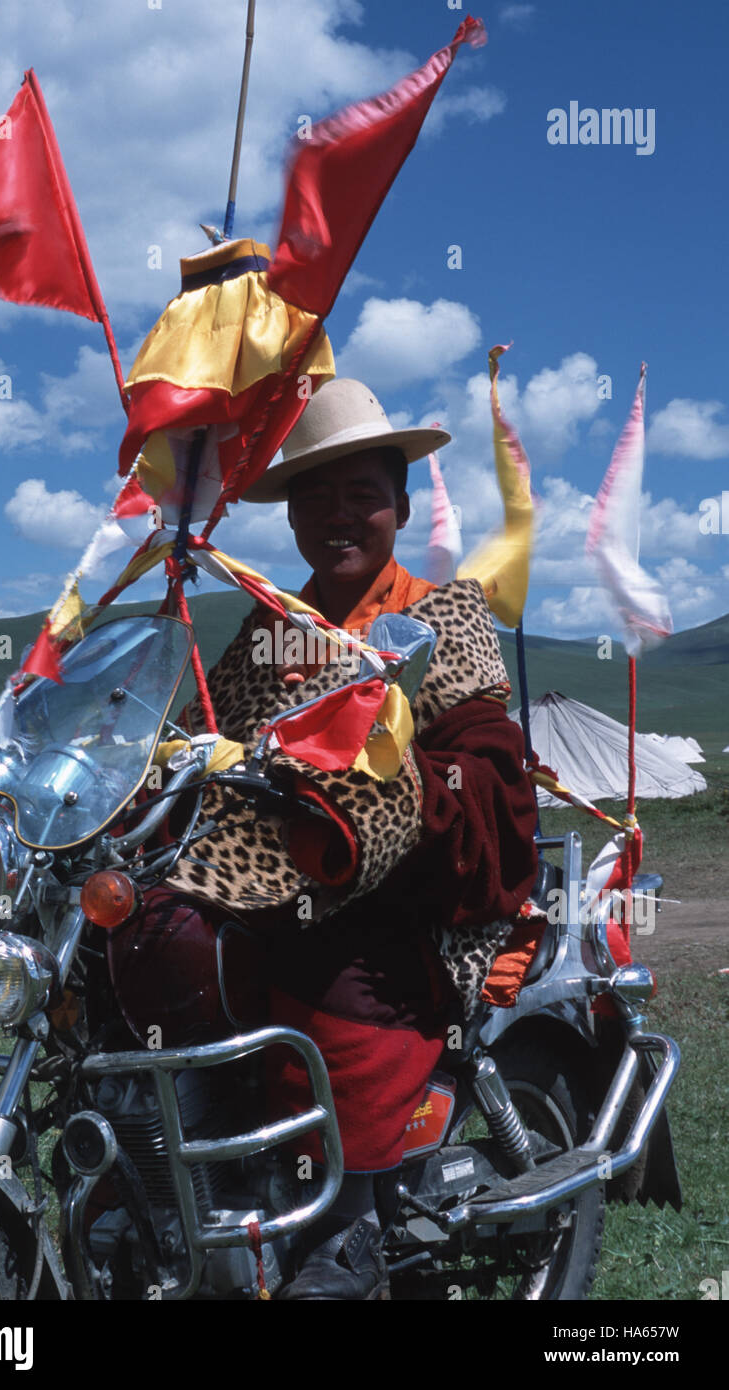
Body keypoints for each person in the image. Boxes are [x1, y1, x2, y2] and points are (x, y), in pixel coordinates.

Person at [161, 378, 539, 1298]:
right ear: (289, 517)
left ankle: (347, 1225)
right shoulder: (266, 633)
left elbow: (496, 782)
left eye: (361, 493)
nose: (338, 515)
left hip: (411, 911)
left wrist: (395, 786)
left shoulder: (444, 616)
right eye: (313, 496)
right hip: (272, 899)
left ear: (401, 506)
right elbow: (203, 746)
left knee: (333, 988)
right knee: (145, 954)